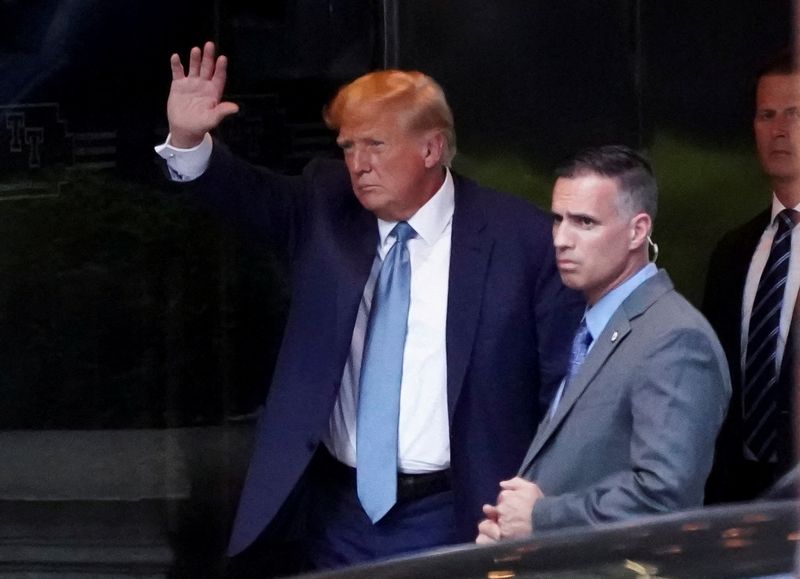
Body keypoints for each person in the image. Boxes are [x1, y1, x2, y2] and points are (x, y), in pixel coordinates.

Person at [155, 42, 583, 574]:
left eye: (376, 145)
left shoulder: (520, 239)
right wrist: (191, 140)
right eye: (348, 146)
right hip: (338, 511)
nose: (358, 164)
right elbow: (244, 193)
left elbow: (564, 388)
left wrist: (540, 500)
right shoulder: (325, 207)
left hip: (457, 509)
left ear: (431, 149)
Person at [476, 145, 731, 544]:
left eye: (584, 222)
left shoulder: (676, 339)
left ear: (637, 230)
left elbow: (665, 498)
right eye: (557, 220)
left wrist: (543, 518)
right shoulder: (598, 325)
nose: (561, 239)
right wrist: (512, 532)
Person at [703, 49, 800, 504]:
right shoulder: (734, 251)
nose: (779, 130)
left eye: (795, 113)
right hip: (740, 496)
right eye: (767, 115)